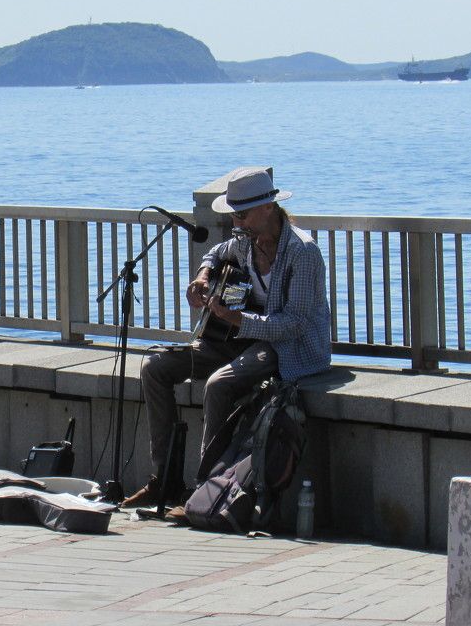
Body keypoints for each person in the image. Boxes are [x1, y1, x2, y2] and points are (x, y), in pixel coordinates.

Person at [122, 167, 332, 508]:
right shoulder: (245, 241)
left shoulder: (302, 252)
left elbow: (294, 323)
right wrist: (203, 276)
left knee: (219, 384)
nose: (238, 222)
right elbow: (215, 253)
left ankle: (206, 491)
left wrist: (238, 318)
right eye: (234, 215)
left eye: (243, 214)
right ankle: (164, 480)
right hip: (240, 338)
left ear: (268, 207)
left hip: (289, 348)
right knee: (155, 366)